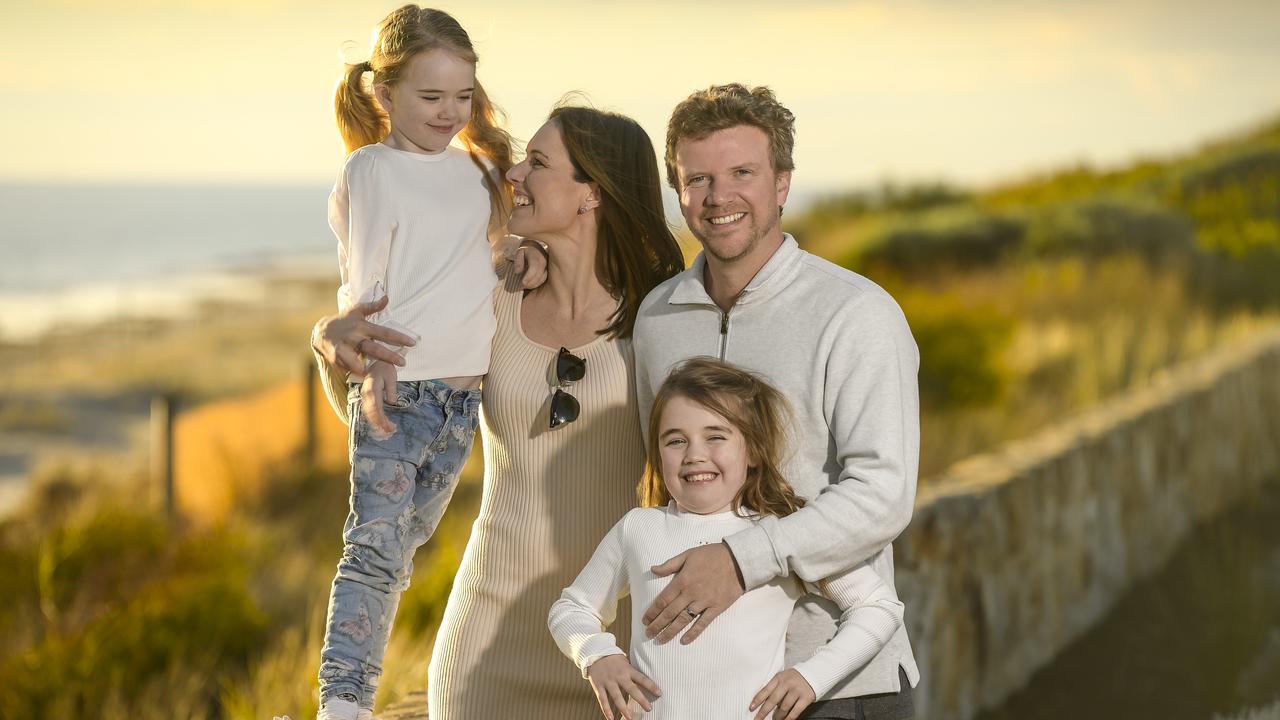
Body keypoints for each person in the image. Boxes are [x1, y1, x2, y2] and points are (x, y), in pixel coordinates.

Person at [312, 104, 684, 719]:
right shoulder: (489, 301)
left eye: (538, 163)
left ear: (592, 193)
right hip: (484, 649)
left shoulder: (661, 318)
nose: (513, 173)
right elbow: (385, 423)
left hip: (615, 651)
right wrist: (330, 342)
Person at [632, 84, 921, 719]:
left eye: (743, 173)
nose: (718, 197)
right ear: (678, 192)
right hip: (703, 681)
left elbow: (883, 492)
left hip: (836, 680)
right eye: (697, 178)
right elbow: (660, 484)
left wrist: (742, 561)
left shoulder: (856, 313)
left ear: (783, 183)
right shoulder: (656, 317)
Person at [313, 7, 523, 720]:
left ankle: (355, 684)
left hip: (464, 402)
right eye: (431, 98)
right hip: (398, 392)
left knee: (407, 547)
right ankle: (343, 704)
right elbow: (366, 284)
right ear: (385, 95)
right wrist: (367, 366)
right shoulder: (373, 167)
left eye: (462, 97)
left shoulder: (478, 170)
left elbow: (490, 258)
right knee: (372, 552)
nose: (449, 112)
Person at [549, 357, 904, 720]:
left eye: (715, 436)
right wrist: (597, 656)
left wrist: (811, 677)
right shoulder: (638, 529)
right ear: (657, 453)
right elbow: (572, 609)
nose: (694, 455)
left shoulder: (776, 537)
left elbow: (879, 608)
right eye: (675, 441)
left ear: (751, 450)